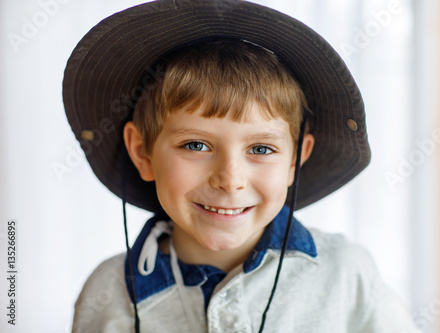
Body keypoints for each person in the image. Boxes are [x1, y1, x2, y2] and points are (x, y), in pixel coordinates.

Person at [63, 1, 421, 332]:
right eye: (196, 145)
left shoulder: (347, 275)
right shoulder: (107, 292)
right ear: (142, 152)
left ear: (295, 158)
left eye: (261, 148)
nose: (230, 180)